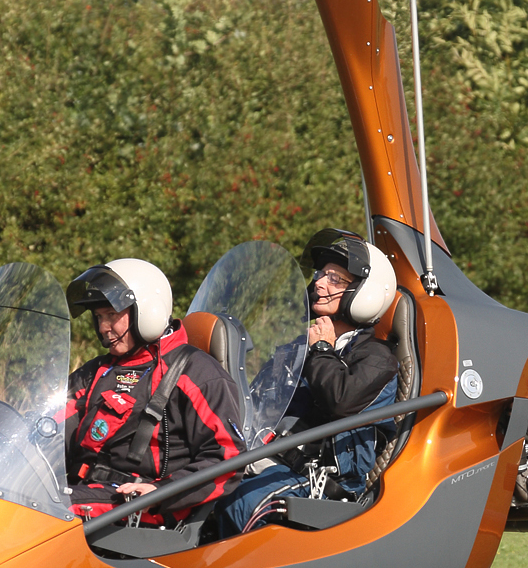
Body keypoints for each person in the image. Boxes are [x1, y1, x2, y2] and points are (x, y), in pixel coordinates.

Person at [218, 230, 399, 536]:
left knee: (242, 503)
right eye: (321, 274)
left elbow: (342, 401)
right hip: (268, 461)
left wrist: (322, 351)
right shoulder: (295, 348)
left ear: (365, 292)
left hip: (321, 480)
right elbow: (257, 405)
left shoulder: (378, 359)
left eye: (335, 279)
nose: (319, 283)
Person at [60, 257, 243, 528]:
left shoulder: (197, 374)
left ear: (148, 310)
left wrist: (163, 491)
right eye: (98, 317)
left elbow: (228, 458)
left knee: (37, 516)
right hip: (85, 489)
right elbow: (50, 422)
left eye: (111, 315)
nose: (102, 328)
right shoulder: (99, 370)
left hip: (143, 506)